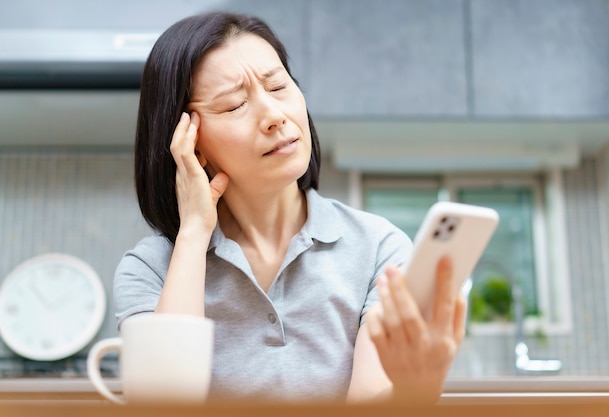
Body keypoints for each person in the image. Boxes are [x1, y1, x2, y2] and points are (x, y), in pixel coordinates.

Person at [114, 11, 466, 404]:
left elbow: (369, 404)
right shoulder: (150, 269)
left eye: (278, 86)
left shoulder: (378, 248)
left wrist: (417, 390)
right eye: (234, 106)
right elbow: (164, 407)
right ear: (189, 142)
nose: (274, 116)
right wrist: (194, 233)